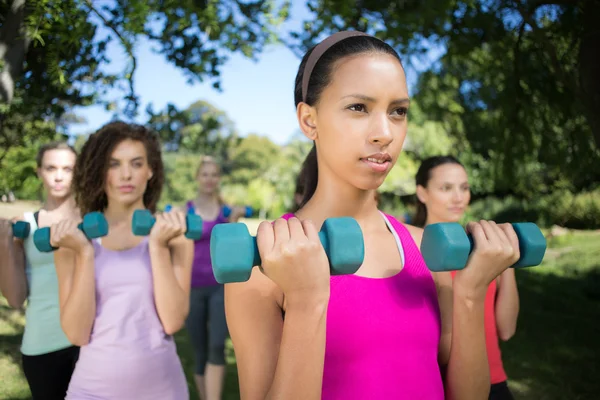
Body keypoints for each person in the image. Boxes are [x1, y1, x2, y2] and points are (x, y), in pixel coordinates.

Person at [224, 30, 522, 400]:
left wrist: (472, 294)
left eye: (397, 111)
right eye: (359, 107)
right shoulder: (263, 267)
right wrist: (306, 302)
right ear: (309, 120)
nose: (384, 133)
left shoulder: (426, 249)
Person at [50, 122, 192, 399]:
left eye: (136, 164)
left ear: (150, 170)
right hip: (92, 390)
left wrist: (157, 246)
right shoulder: (73, 241)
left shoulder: (175, 236)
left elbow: (173, 322)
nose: (126, 174)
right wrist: (86, 254)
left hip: (163, 389)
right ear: (99, 171)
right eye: (114, 164)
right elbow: (78, 335)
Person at [415, 155, 520, 400]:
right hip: (440, 385)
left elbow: (506, 330)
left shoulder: (484, 249)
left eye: (464, 187)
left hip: (493, 382)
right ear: (422, 193)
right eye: (446, 188)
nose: (459, 197)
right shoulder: (412, 252)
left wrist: (507, 265)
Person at [0, 142, 79, 400]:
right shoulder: (25, 224)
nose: (58, 176)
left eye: (67, 168)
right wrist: (5, 247)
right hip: (42, 343)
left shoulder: (94, 220)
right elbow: (14, 299)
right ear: (39, 173)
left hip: (90, 341)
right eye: (51, 168)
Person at [183, 155, 246, 400]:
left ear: (219, 179)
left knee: (217, 346)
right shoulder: (185, 210)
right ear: (198, 177)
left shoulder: (226, 210)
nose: (209, 179)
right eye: (205, 174)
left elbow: (232, 247)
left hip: (220, 286)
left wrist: (234, 220)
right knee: (199, 350)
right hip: (192, 287)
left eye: (214, 175)